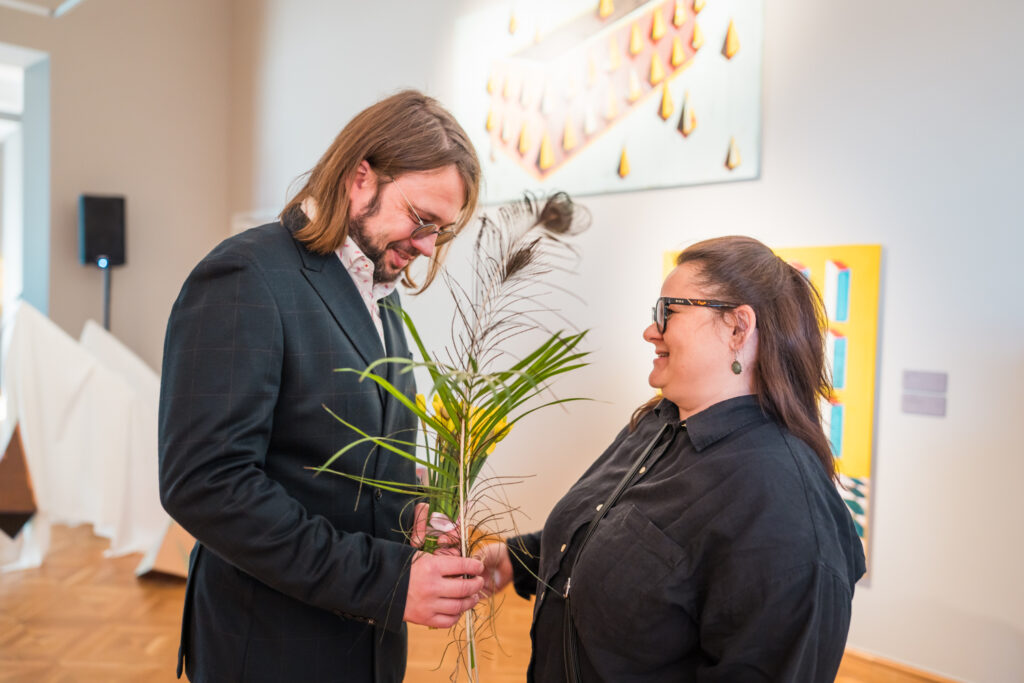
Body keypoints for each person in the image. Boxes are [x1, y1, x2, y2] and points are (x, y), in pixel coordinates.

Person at [158, 90, 486, 683]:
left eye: (440, 231)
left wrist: (407, 511)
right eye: (420, 219)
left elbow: (326, 460)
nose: (426, 246)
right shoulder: (245, 274)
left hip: (363, 646)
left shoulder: (379, 295)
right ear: (361, 178)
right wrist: (387, 580)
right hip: (271, 646)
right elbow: (206, 485)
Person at [481, 236, 867, 682]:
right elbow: (620, 534)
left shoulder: (785, 506)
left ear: (738, 328)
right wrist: (516, 558)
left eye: (668, 312)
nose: (651, 330)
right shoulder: (659, 423)